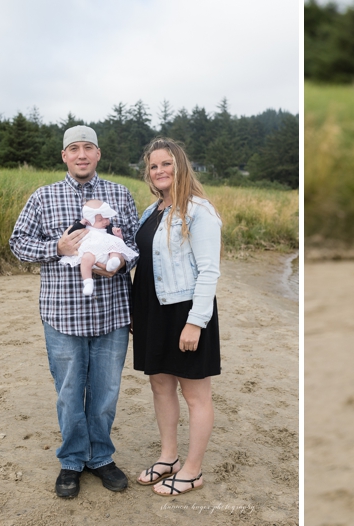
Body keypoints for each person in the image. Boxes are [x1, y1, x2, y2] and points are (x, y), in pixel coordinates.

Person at [9, 125, 138, 498]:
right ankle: (71, 460)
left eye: (88, 148)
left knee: (106, 392)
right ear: (64, 156)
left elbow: (132, 246)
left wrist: (117, 263)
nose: (81, 155)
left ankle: (100, 458)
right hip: (62, 314)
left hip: (112, 313)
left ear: (98, 154)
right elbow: (18, 243)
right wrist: (58, 248)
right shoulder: (43, 197)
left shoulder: (119, 194)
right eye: (74, 149)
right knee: (69, 392)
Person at [127, 137, 223, 497]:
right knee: (160, 385)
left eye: (166, 164)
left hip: (185, 311)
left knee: (195, 394)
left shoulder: (199, 211)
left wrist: (196, 322)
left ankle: (193, 470)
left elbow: (209, 272)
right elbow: (145, 265)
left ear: (180, 166)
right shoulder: (151, 212)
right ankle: (169, 457)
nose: (159, 171)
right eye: (153, 166)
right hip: (153, 311)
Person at [60, 199, 138, 295]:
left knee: (115, 248)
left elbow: (121, 242)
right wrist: (81, 223)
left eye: (107, 218)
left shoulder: (108, 228)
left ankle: (113, 261)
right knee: (86, 258)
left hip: (107, 252)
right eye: (100, 220)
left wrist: (118, 235)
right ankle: (88, 282)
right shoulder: (84, 228)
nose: (105, 222)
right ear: (89, 221)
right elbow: (70, 233)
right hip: (91, 251)